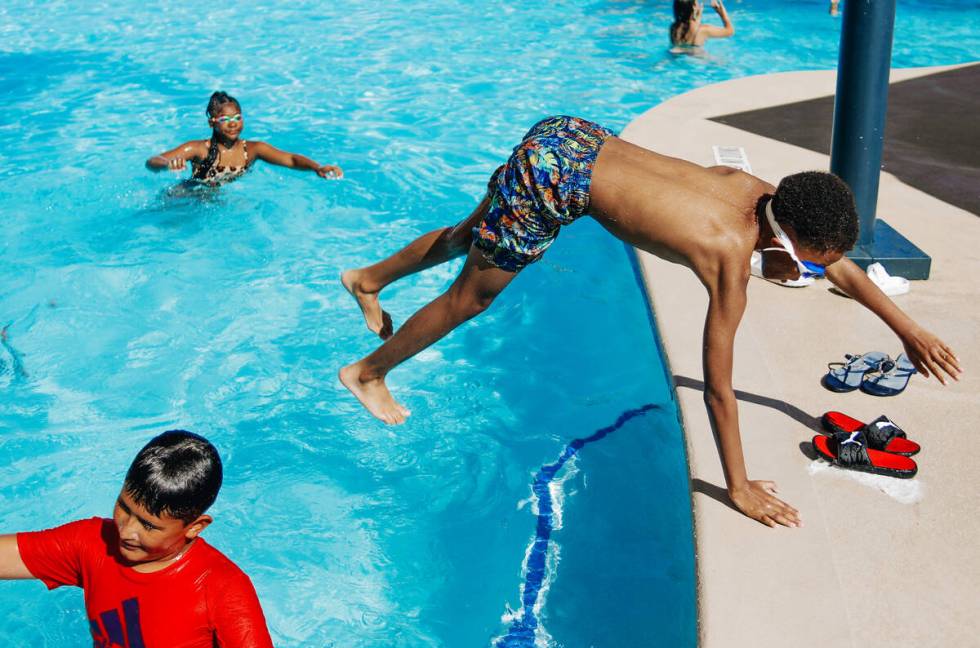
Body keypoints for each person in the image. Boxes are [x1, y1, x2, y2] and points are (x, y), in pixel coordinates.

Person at [338, 115, 962, 528]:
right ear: (789, 235)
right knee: (473, 295)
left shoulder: (759, 190)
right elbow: (718, 387)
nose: (812, 273)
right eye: (807, 262)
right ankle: (368, 372)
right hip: (556, 180)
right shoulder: (727, 258)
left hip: (568, 136)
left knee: (470, 234)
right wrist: (737, 487)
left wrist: (907, 330)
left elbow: (842, 268)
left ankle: (368, 279)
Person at [0, 430, 276, 648]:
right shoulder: (92, 542)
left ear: (195, 527)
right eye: (124, 508)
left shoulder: (222, 588)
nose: (127, 531)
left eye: (148, 525)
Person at [146, 91, 343, 186]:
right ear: (212, 123)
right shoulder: (200, 149)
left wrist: (317, 167)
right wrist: (167, 164)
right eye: (225, 119)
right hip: (186, 197)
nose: (233, 124)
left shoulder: (253, 150)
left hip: (216, 202)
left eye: (237, 118)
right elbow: (152, 161)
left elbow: (290, 159)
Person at [670, 0, 734, 52]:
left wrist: (697, 16)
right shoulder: (703, 30)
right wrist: (722, 14)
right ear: (694, 7)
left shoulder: (673, 28)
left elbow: (689, 32)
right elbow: (730, 31)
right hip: (698, 61)